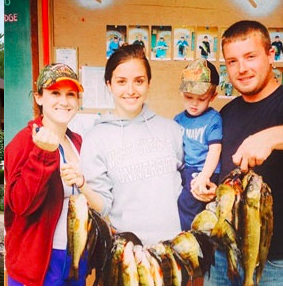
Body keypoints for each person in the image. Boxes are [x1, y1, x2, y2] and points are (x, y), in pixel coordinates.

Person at [202, 20, 283, 286]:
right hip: (224, 256)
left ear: (271, 55)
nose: (242, 69)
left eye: (250, 57)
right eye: (233, 61)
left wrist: (273, 136)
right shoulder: (226, 113)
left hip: (275, 262)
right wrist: (209, 188)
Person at [79, 44, 184, 245]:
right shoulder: (96, 139)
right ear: (109, 84)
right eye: (121, 82)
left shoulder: (172, 130)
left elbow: (188, 186)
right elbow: (101, 207)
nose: (130, 90)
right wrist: (83, 185)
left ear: (148, 83)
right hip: (128, 258)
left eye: (139, 81)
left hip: (173, 254)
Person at [4, 63, 89, 286]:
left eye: (71, 94)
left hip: (75, 254)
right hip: (37, 264)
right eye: (55, 93)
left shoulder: (78, 141)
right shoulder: (22, 142)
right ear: (39, 98)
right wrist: (42, 154)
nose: (64, 101)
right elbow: (20, 205)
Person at [174, 58, 222, 231]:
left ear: (213, 96)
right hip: (186, 170)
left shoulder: (213, 119)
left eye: (201, 99)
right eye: (189, 97)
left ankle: (188, 239)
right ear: (181, 93)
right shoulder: (178, 120)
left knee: (186, 204)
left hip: (204, 170)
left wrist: (204, 176)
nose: (194, 103)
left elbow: (215, 149)